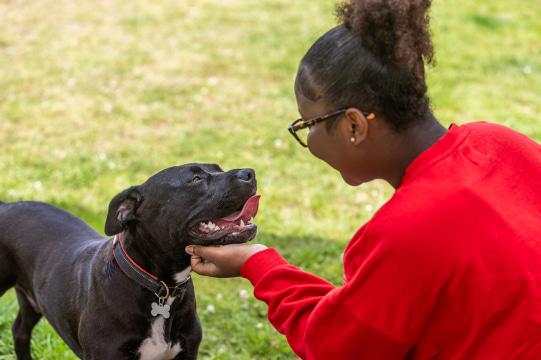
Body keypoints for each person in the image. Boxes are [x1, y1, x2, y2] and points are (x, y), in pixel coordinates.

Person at [184, 0, 541, 358]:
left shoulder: (408, 230)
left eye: (308, 125)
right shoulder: (500, 141)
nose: (308, 142)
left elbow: (336, 347)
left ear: (354, 125)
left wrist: (256, 263)